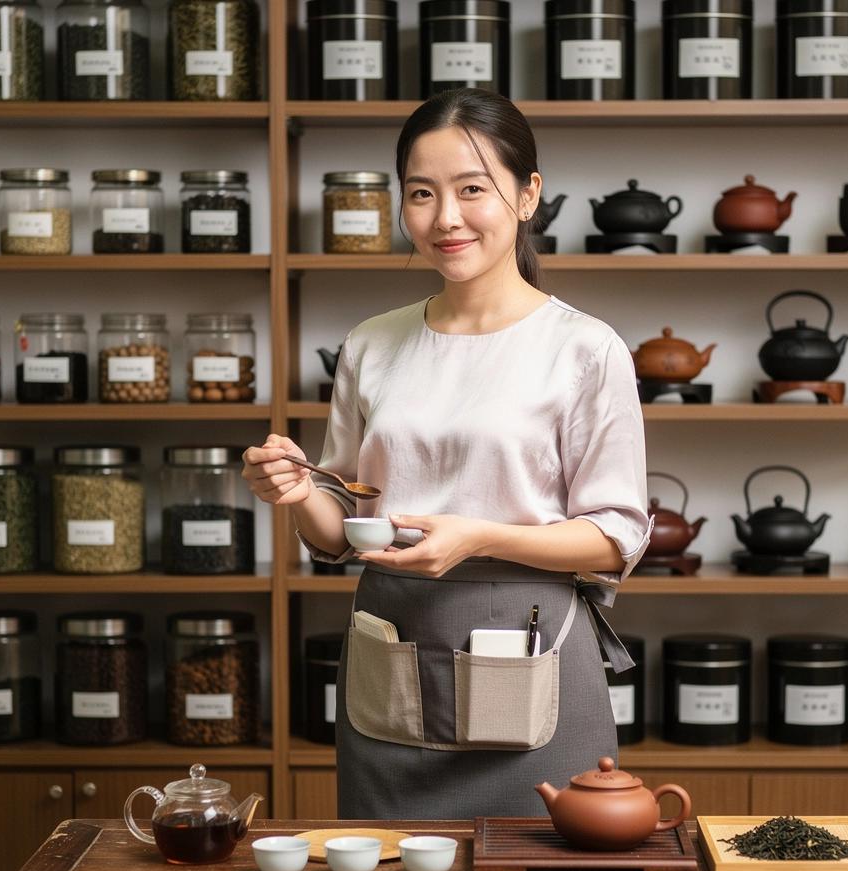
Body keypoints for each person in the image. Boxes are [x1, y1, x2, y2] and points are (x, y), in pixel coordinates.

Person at [242, 88, 652, 819]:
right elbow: (342, 529)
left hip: (533, 672)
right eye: (421, 194)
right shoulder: (372, 343)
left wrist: (479, 538)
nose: (446, 218)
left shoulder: (585, 349)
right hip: (391, 664)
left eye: (472, 190)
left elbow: (616, 537)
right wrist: (298, 492)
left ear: (528, 195)